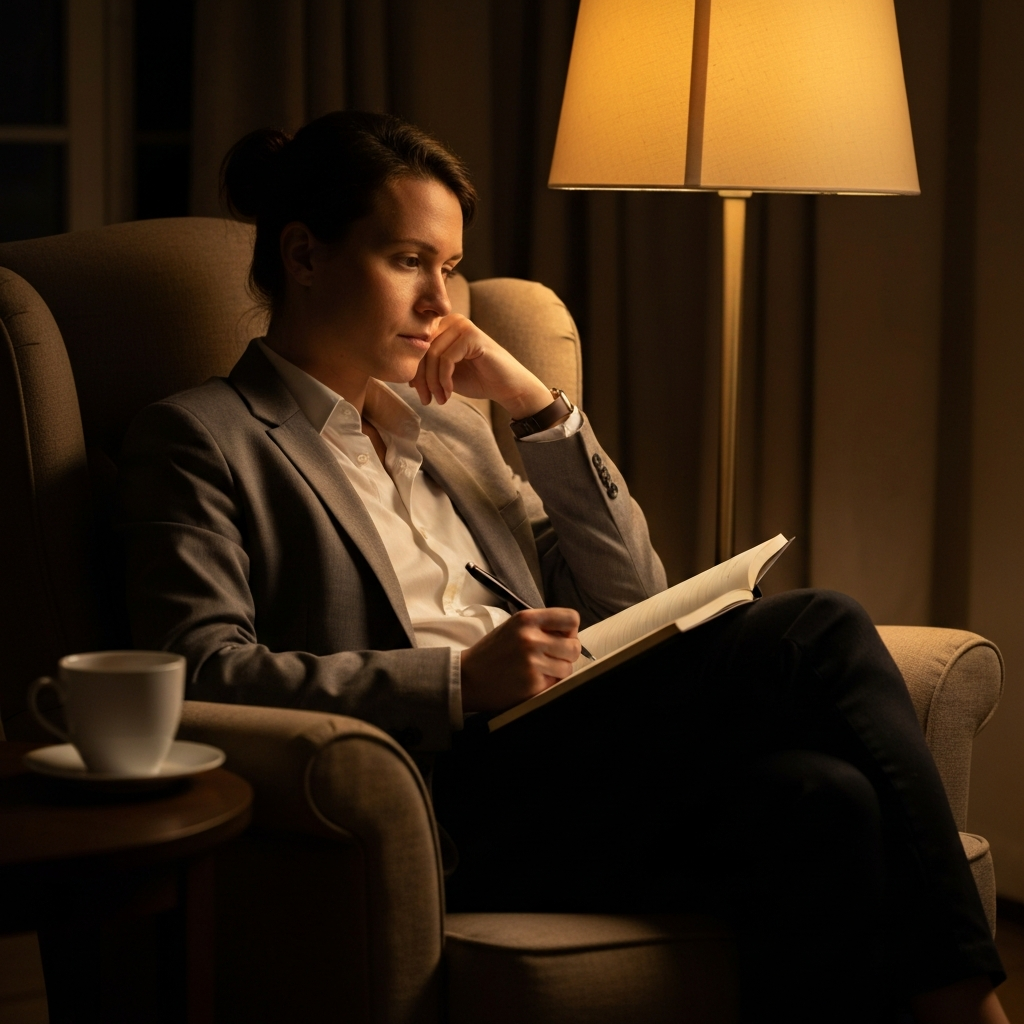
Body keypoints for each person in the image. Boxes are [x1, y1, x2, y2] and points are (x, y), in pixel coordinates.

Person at [117, 110, 1009, 1023]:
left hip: (573, 755)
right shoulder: (203, 437)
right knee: (819, 629)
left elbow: (631, 596)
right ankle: (972, 1004)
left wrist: (536, 408)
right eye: (407, 261)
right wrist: (457, 682)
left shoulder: (460, 432)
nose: (442, 304)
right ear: (304, 256)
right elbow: (199, 670)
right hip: (437, 789)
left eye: (452, 268)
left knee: (824, 800)